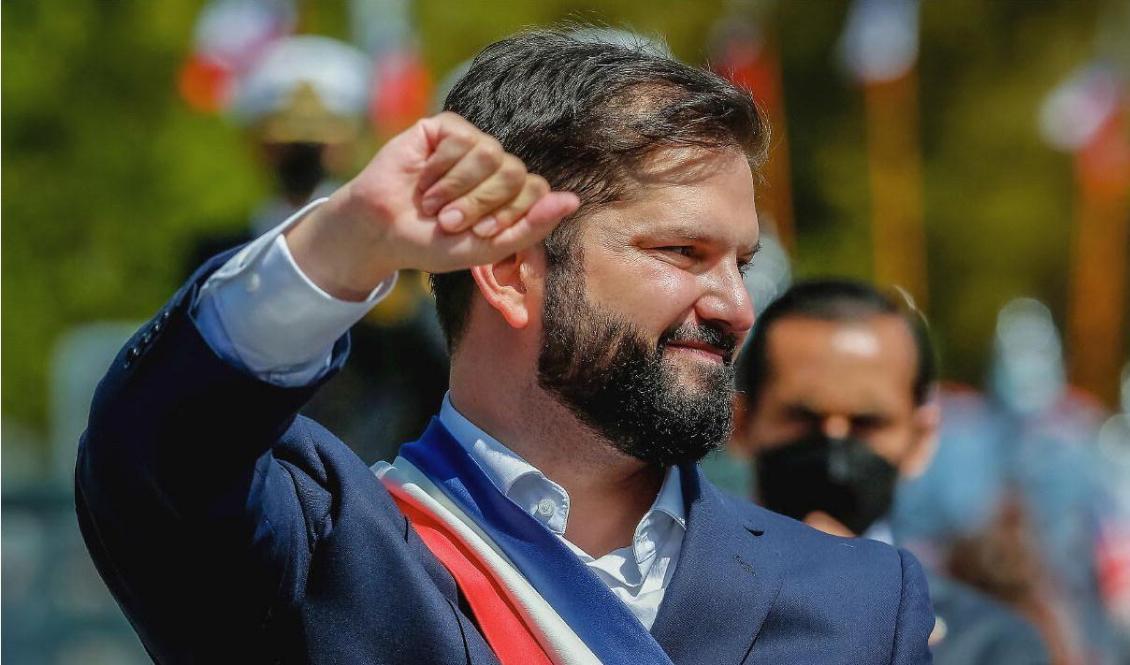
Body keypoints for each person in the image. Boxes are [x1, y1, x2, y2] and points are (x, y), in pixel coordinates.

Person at [76, 30, 933, 663]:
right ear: (510, 271)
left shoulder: (858, 603)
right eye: (683, 253)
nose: (739, 307)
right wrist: (343, 245)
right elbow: (153, 454)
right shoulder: (318, 556)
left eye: (740, 262)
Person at [729, 279, 1050, 664]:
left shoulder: (987, 644)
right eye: (804, 418)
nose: (835, 448)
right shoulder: (681, 608)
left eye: (867, 423)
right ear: (741, 425)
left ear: (921, 439)